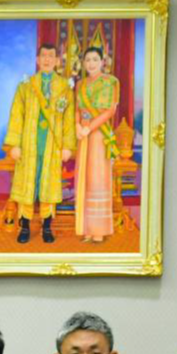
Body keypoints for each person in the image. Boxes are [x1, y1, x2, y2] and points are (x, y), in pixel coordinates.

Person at [2, 43, 73, 245]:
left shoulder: (65, 89)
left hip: (52, 145)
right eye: (44, 56)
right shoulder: (26, 86)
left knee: (48, 185)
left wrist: (68, 146)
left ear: (57, 60)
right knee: (27, 185)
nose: (47, 60)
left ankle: (47, 227)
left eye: (51, 56)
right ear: (37, 60)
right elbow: (17, 115)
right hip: (29, 144)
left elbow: (68, 119)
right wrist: (14, 144)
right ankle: (24, 226)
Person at [73, 46, 119, 243]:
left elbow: (109, 111)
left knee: (97, 178)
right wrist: (77, 125)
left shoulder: (110, 82)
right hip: (83, 134)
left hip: (99, 134)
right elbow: (77, 108)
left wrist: (89, 128)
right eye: (88, 60)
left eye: (95, 59)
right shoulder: (80, 84)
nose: (91, 63)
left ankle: (99, 229)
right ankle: (87, 228)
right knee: (84, 178)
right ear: (83, 63)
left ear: (103, 61)